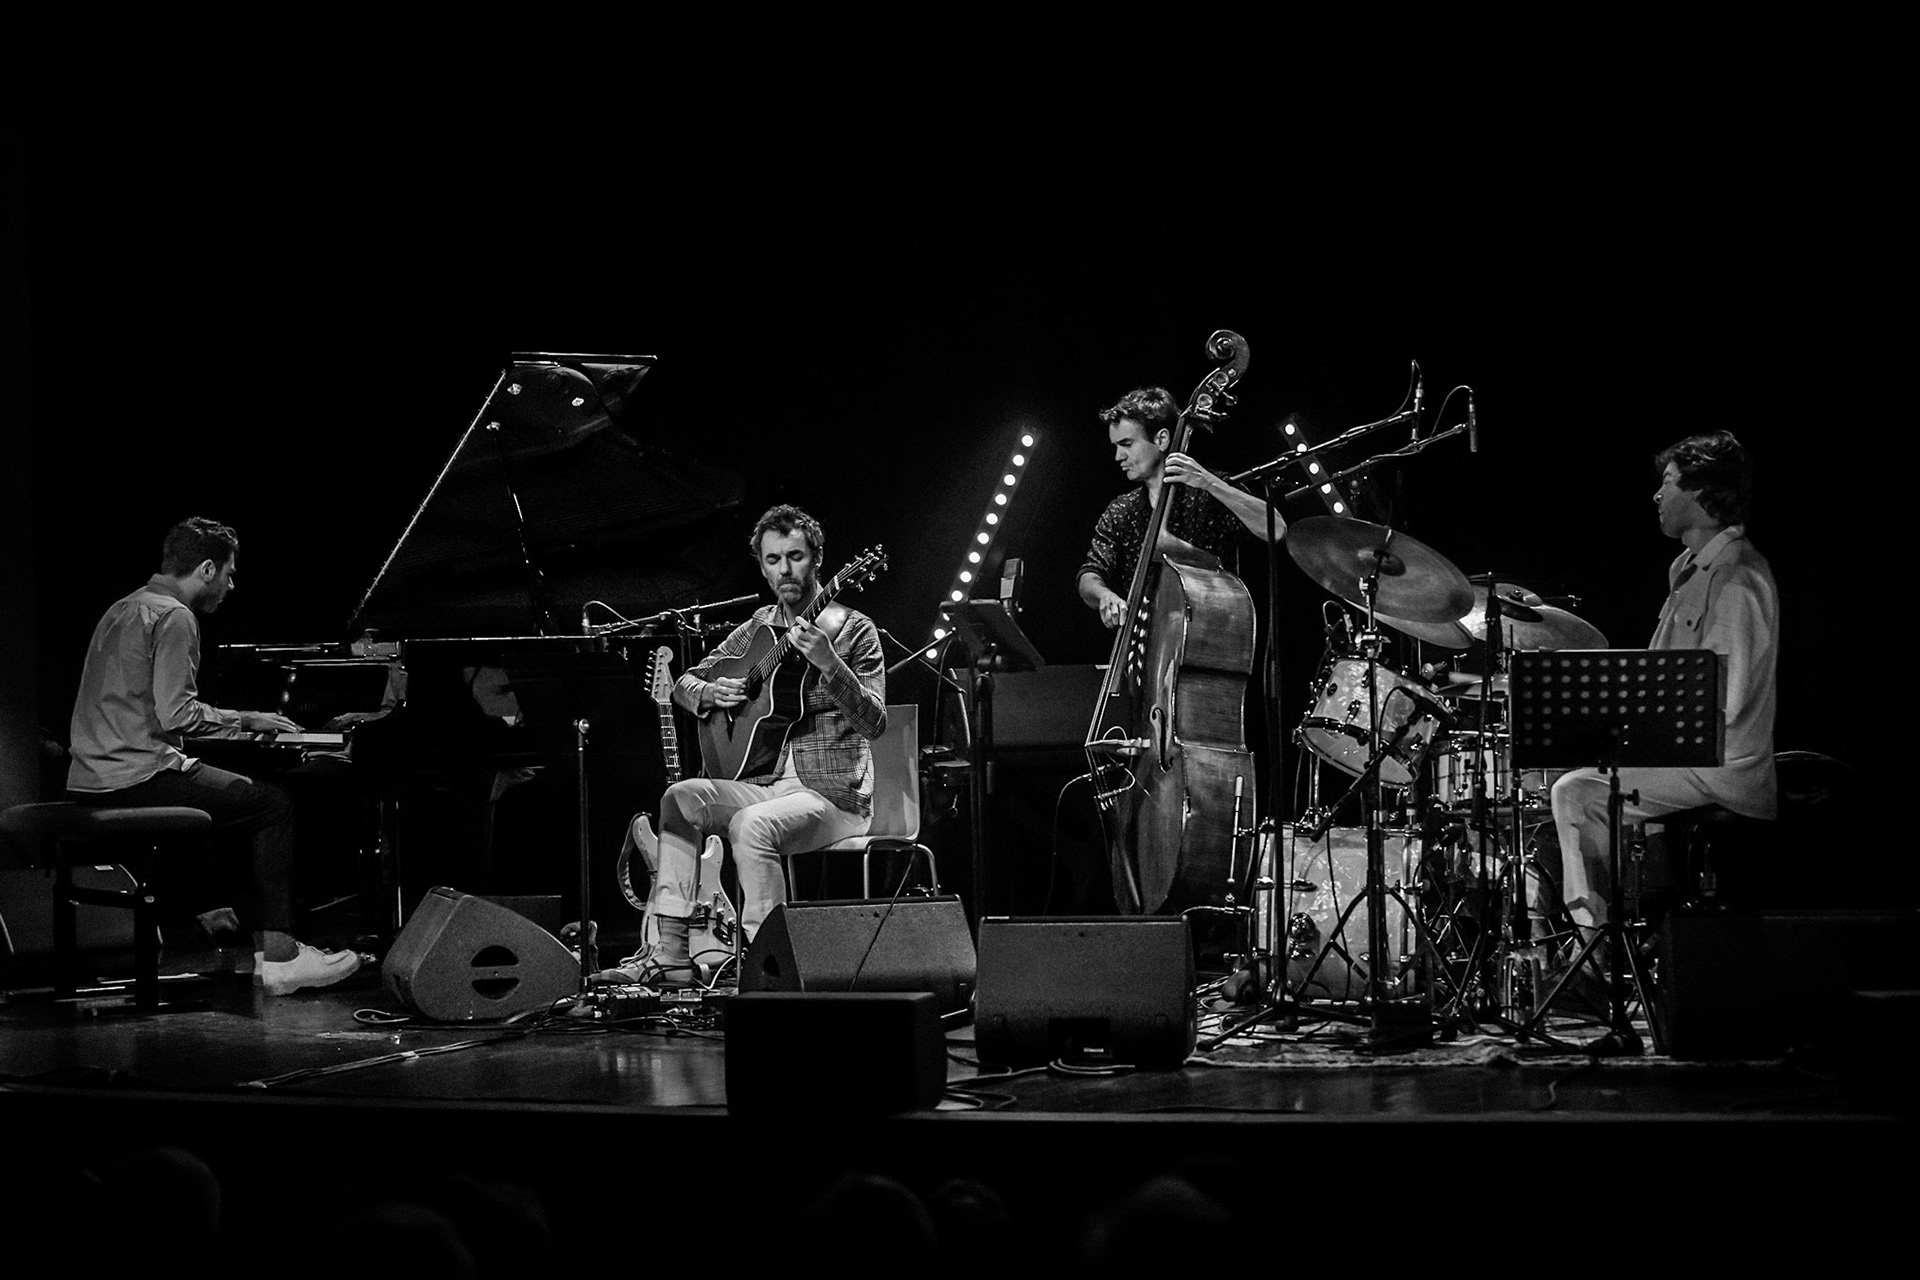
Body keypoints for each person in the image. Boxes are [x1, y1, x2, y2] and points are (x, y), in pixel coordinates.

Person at [66, 516, 364, 995]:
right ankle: (283, 956)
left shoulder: (122, 608)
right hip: (132, 777)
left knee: (213, 792)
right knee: (271, 804)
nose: (231, 584)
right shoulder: (175, 616)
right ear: (206, 569)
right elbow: (178, 715)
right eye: (228, 572)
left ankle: (219, 917)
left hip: (90, 775)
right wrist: (247, 720)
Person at [592, 504, 887, 986]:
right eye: (773, 560)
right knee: (681, 798)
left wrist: (831, 665)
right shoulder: (756, 627)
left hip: (832, 795)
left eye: (795, 556)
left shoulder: (852, 629)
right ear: (762, 565)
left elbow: (875, 722)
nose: (785, 570)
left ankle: (765, 967)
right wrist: (710, 693)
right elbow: (687, 681)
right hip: (764, 784)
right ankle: (668, 953)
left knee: (751, 826)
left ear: (817, 560)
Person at [1534, 431, 1779, 956]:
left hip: (1722, 767)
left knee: (1575, 791)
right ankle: (1624, 926)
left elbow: (1722, 701)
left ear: (1703, 495)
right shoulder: (1687, 570)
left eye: (1668, 483)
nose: (1656, 495)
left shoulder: (1737, 576)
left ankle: (1591, 952)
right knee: (1566, 777)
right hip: (1691, 755)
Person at [1077, 385, 1284, 628]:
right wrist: (1104, 595)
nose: (1118, 456)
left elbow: (1276, 529)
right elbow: (1090, 574)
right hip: (1140, 648)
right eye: (1116, 446)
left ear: (1161, 439)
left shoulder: (1208, 491)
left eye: (1127, 444)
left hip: (1209, 635)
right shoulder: (1121, 510)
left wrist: (1211, 483)